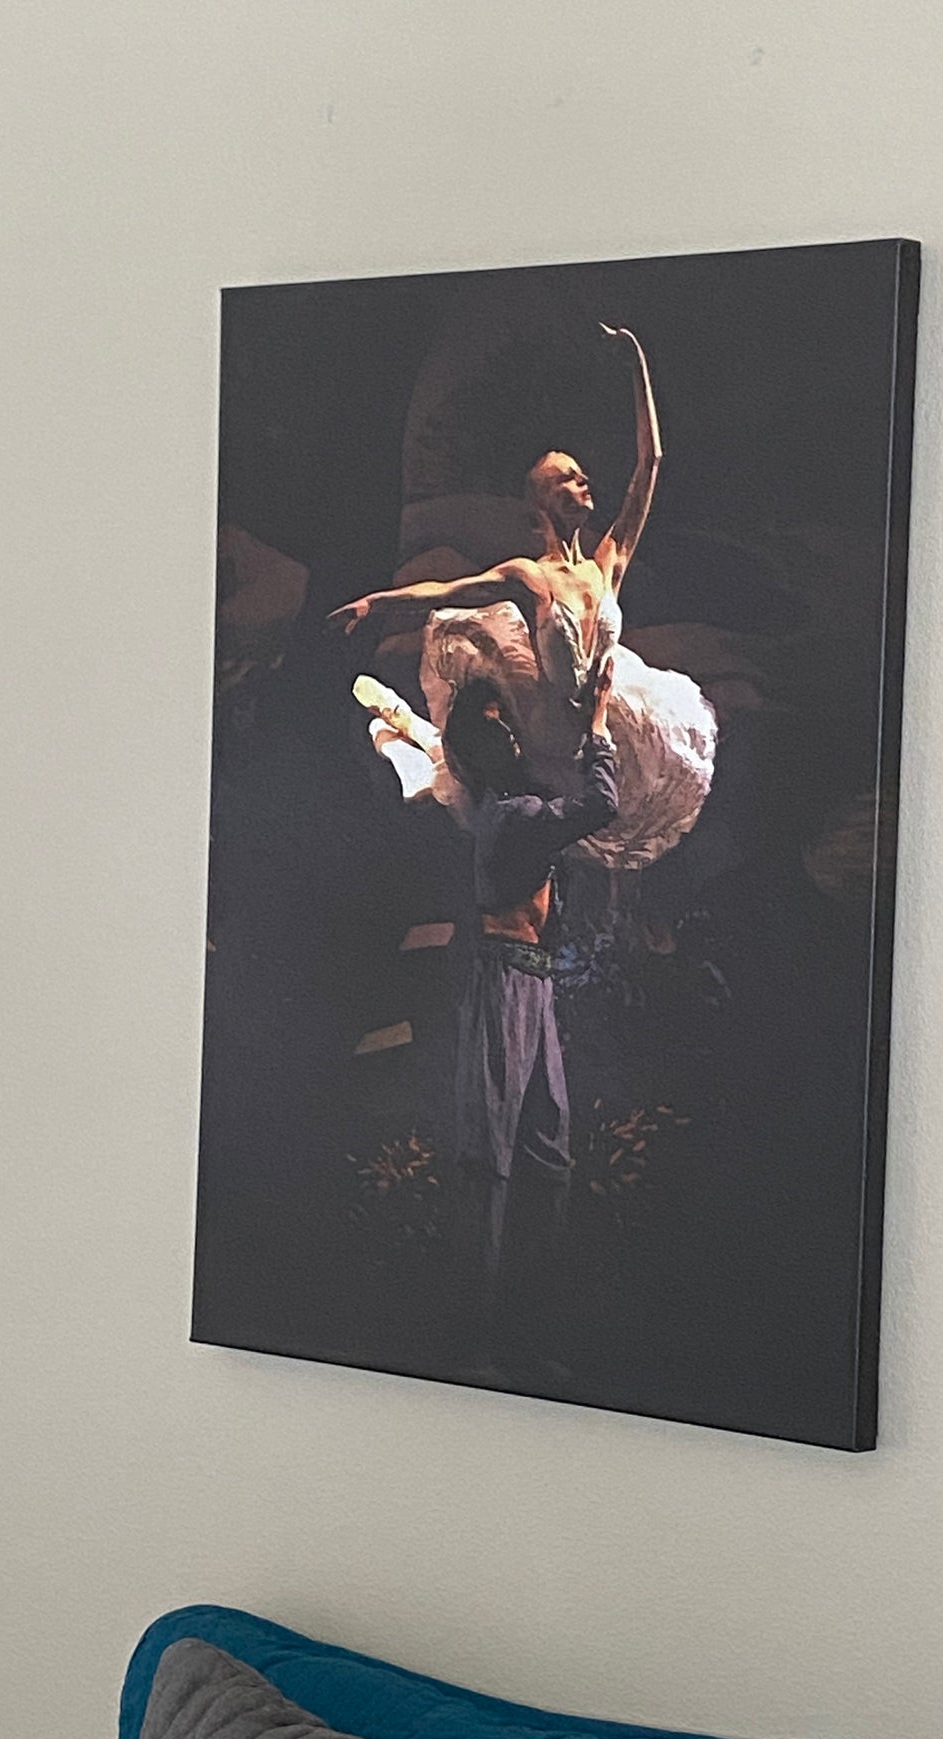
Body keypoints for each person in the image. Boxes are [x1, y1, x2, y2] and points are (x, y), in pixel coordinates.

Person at [329, 324, 715, 871]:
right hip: (550, 720)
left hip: (602, 711)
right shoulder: (530, 576)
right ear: (541, 501)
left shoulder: (608, 563)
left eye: (583, 478)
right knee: (481, 775)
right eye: (567, 480)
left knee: (613, 813)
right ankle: (407, 727)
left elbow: (648, 465)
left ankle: (411, 733)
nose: (583, 486)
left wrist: (636, 366)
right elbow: (446, 590)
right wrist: (377, 602)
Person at [439, 660, 617, 1347]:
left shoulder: (509, 810)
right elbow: (599, 803)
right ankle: (475, 1331)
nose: (508, 741)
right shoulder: (512, 816)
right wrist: (595, 725)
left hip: (532, 981)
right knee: (491, 1153)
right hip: (504, 980)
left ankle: (526, 1324)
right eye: (495, 733)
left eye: (506, 728)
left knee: (545, 1155)